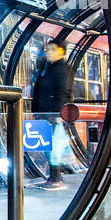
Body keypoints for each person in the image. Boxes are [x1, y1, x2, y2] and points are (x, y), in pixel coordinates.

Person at [32, 38, 75, 188]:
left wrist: (59, 114)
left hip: (53, 114)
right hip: (44, 113)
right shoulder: (46, 67)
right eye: (47, 49)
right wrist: (36, 111)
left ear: (61, 52)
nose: (48, 52)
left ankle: (56, 178)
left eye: (53, 49)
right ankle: (53, 177)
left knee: (53, 147)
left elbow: (64, 92)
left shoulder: (63, 69)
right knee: (48, 146)